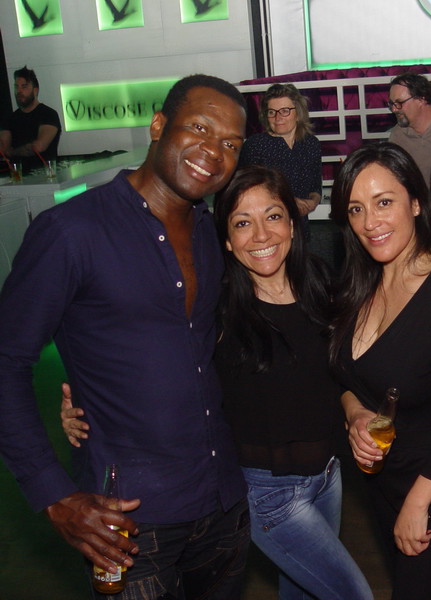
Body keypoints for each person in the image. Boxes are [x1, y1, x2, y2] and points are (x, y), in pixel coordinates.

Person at [62, 165, 373, 600]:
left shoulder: (320, 282)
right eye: (242, 223)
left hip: (327, 476)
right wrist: (84, 404)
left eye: (273, 216)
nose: (261, 235)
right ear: (225, 239)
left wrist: (354, 409)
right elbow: (148, 362)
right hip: (269, 494)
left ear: (292, 223)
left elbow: (338, 373)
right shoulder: (217, 307)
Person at [0, 74, 251, 599]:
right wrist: (54, 495)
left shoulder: (209, 233)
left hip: (224, 504)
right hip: (129, 522)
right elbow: (7, 361)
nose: (214, 151)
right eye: (199, 128)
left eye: (231, 144)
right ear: (158, 125)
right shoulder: (70, 232)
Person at [328, 142, 431, 599]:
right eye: (356, 209)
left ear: (416, 203)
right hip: (384, 485)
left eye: (384, 202)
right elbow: (343, 375)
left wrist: (418, 505)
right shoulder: (359, 284)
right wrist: (355, 413)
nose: (370, 222)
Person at [239, 83, 322, 240]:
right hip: (266, 229)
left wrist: (313, 202)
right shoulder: (255, 145)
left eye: (284, 111)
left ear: (298, 113)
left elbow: (315, 185)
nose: (278, 118)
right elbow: (246, 191)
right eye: (272, 112)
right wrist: (288, 201)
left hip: (300, 228)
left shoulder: (311, 144)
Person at [0, 65, 61, 171]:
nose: (19, 91)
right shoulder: (10, 118)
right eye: (16, 87)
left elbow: (38, 147)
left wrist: (13, 152)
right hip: (18, 176)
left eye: (24, 87)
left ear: (35, 90)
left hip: (45, 174)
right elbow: (3, 149)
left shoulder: (48, 114)